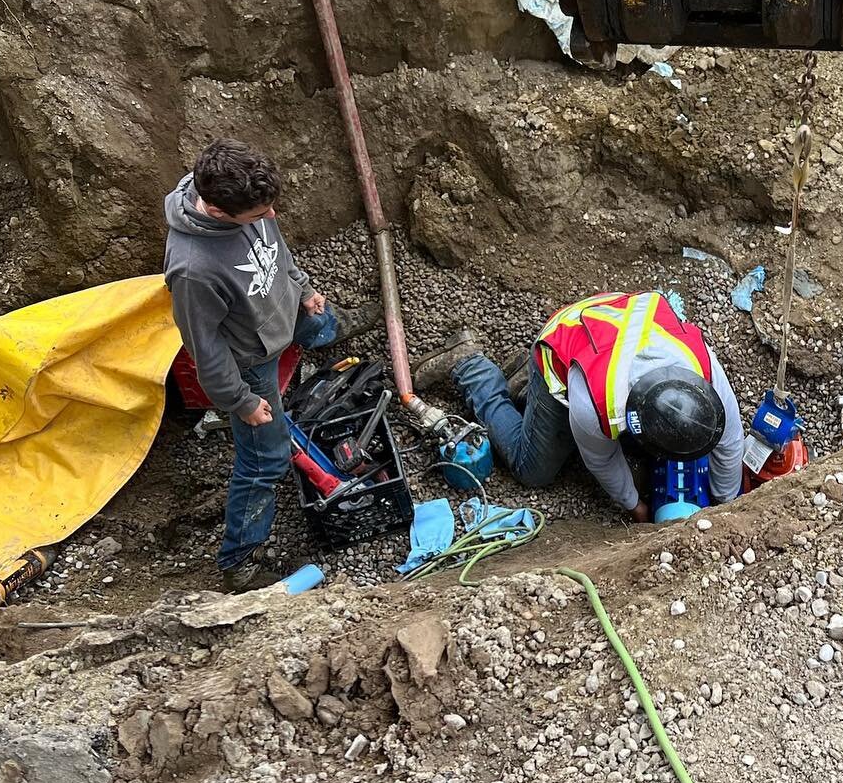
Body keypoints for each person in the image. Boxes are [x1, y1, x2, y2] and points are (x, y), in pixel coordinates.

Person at [163, 138, 367, 591]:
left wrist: (302, 287)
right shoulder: (194, 271)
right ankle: (240, 563)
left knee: (320, 323)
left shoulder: (244, 199)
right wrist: (242, 401)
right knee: (265, 460)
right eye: (258, 215)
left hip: (284, 313)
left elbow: (277, 248)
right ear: (217, 213)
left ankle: (335, 325)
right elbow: (205, 348)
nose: (270, 218)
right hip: (251, 361)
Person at [416, 292, 745, 520]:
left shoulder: (705, 372)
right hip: (563, 342)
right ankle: (472, 367)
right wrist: (636, 507)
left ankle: (525, 391)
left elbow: (729, 444)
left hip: (612, 319)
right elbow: (602, 461)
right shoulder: (596, 405)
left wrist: (724, 503)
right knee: (532, 469)